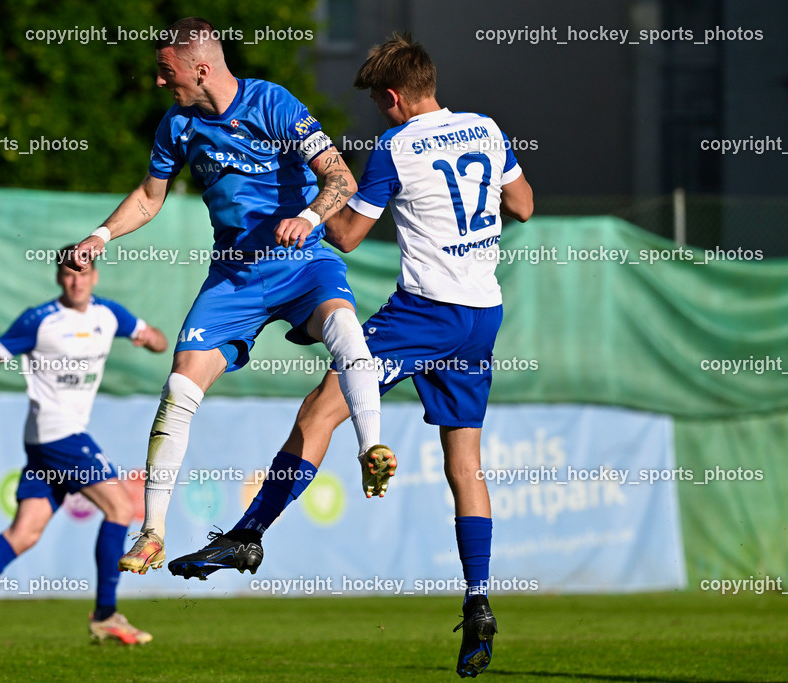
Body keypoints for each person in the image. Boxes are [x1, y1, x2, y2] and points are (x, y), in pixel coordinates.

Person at [168, 34, 533, 679]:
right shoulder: (486, 126)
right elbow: (523, 205)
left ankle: (248, 536)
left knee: (318, 414)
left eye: (377, 104)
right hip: (482, 316)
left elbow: (348, 236)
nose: (378, 115)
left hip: (425, 313)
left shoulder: (395, 147)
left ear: (392, 97)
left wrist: (315, 195)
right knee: (465, 465)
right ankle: (478, 601)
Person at [68, 16, 391, 576]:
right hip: (234, 278)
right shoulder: (177, 125)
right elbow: (150, 197)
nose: (160, 83)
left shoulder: (274, 104)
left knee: (344, 328)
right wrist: (100, 236)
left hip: (301, 262)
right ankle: (152, 533)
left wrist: (310, 214)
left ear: (200, 67)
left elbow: (340, 179)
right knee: (178, 385)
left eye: (166, 72)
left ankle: (372, 449)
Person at [0, 246, 168, 647]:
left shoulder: (110, 316)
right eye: (69, 273)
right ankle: (106, 615)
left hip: (45, 445)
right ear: (59, 277)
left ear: (95, 277)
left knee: (24, 532)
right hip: (59, 434)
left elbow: (155, 339)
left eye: (83, 272)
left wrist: (151, 338)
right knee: (121, 507)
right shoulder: (40, 320)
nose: (76, 280)